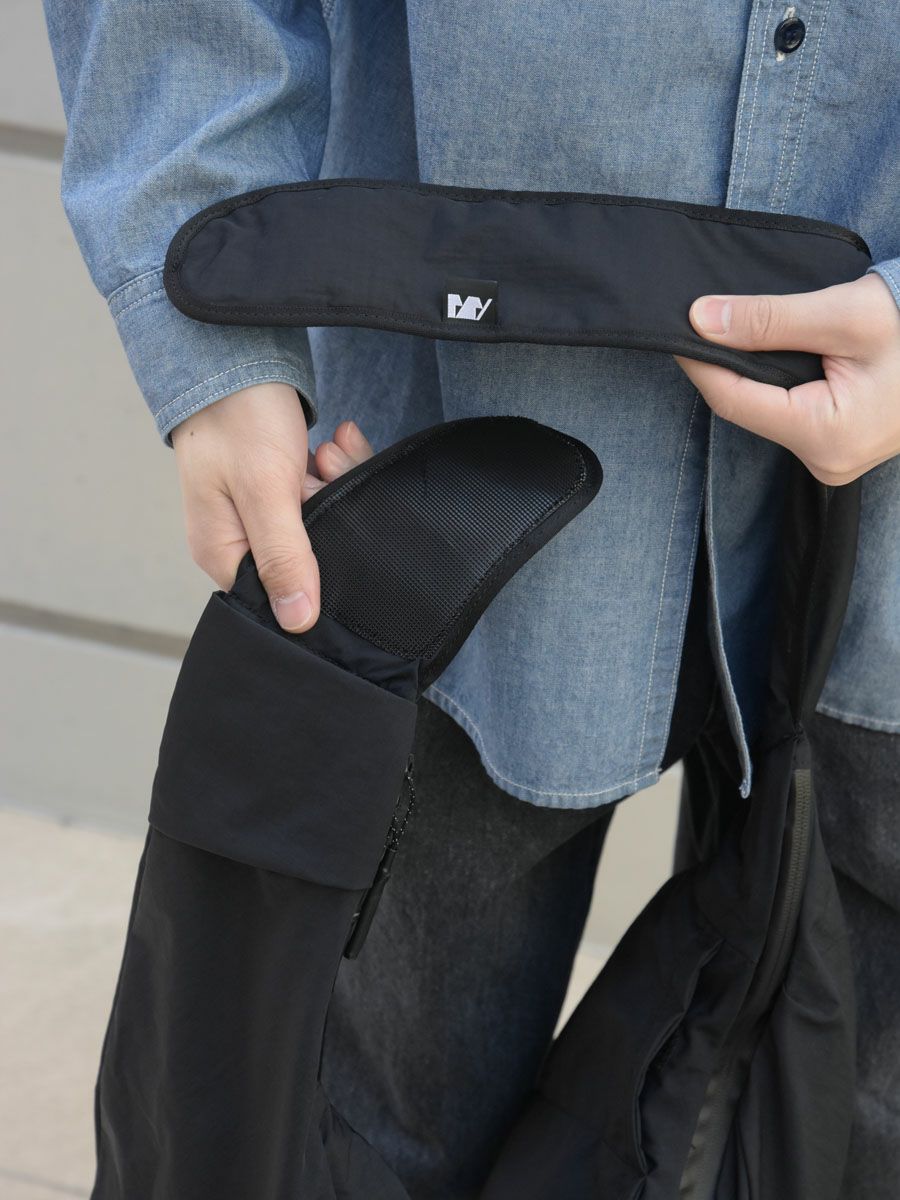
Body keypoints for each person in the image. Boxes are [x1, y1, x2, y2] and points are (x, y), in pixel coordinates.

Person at [44, 4, 899, 1198]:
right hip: (446, 475)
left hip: (883, 550)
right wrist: (215, 341)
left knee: (856, 1136)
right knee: (343, 1130)